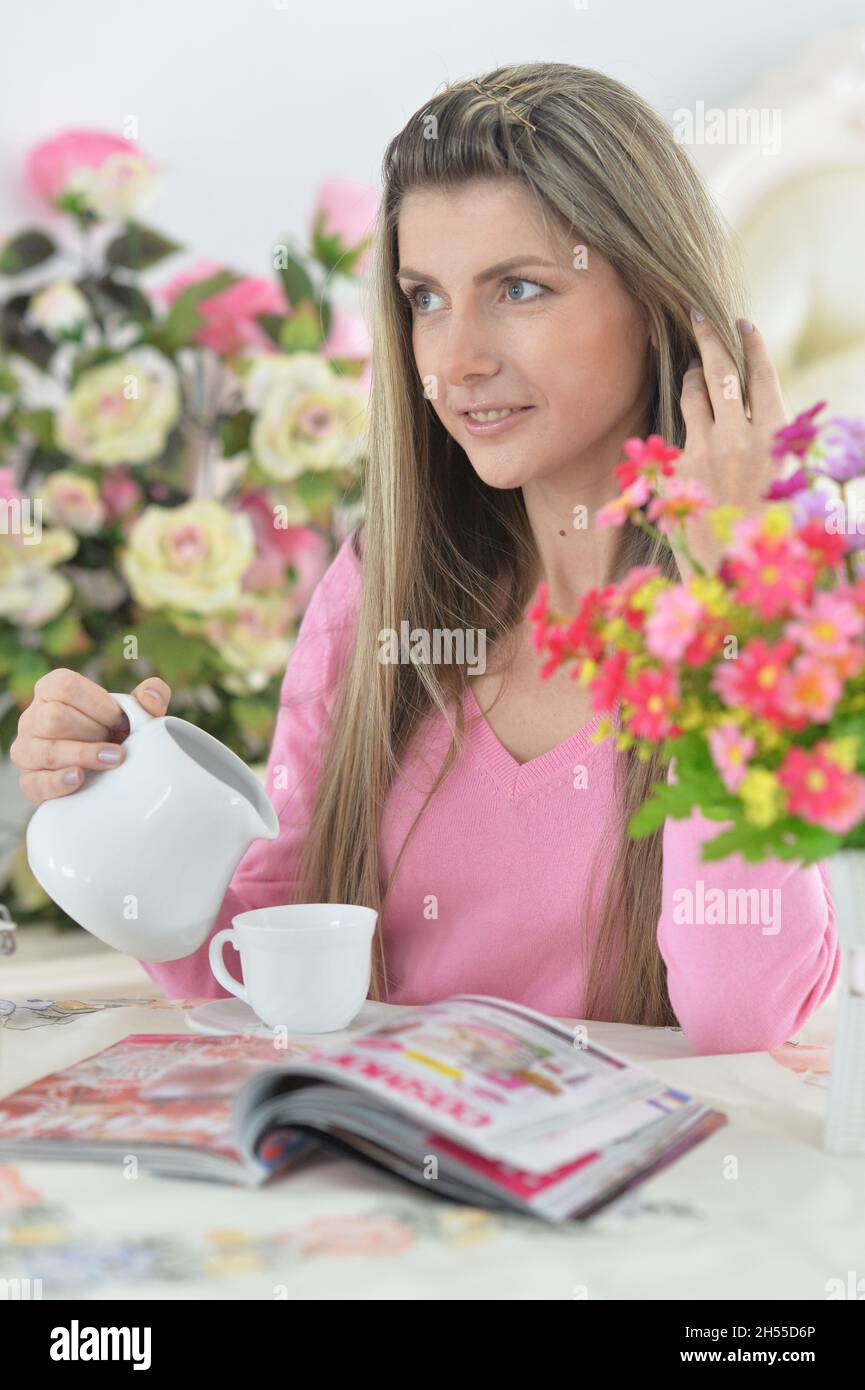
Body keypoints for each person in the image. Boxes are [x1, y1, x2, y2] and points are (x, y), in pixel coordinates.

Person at [11, 62, 838, 1054]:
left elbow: (741, 1016)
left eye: (519, 288)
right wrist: (112, 789)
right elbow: (256, 964)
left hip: (652, 1193)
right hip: (380, 1184)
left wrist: (732, 598)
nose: (453, 362)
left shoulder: (800, 614)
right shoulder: (382, 590)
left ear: (658, 300)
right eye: (425, 299)